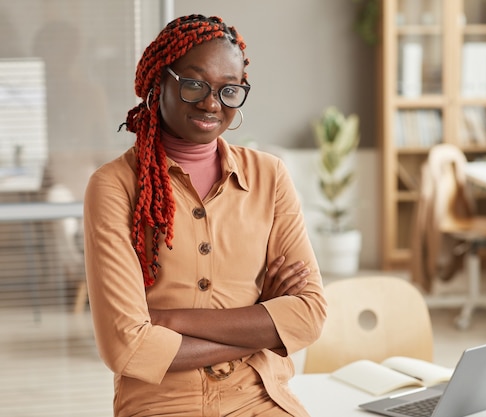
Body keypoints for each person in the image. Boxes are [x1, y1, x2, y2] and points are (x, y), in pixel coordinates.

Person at [83, 14, 326, 417]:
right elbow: (127, 347)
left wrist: (168, 319)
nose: (212, 103)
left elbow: (309, 316)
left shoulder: (269, 175)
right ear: (159, 82)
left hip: (261, 397)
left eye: (228, 90)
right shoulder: (114, 186)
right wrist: (262, 321)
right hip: (163, 403)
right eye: (195, 84)